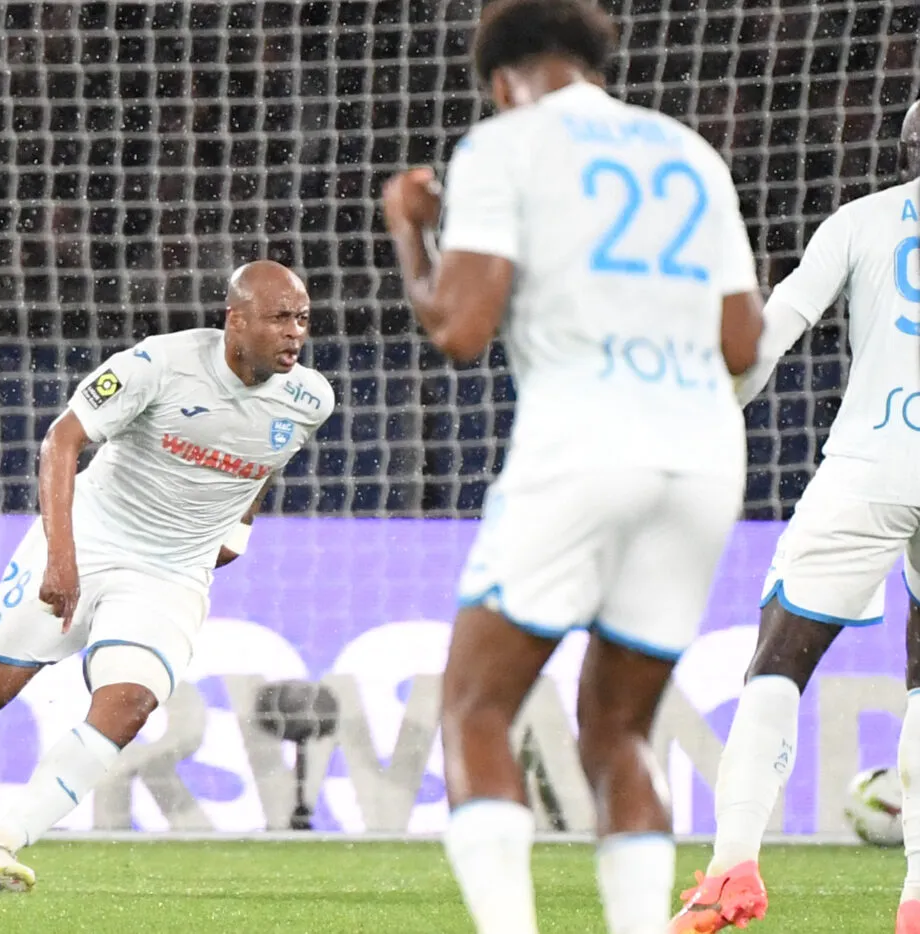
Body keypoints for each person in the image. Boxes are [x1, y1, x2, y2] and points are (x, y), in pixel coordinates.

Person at [381, 1, 765, 931]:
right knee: (621, 732)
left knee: (474, 706)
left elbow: (461, 329)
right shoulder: (689, 153)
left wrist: (410, 229)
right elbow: (743, 341)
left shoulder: (506, 145)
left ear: (498, 76)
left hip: (584, 446)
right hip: (706, 457)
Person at [0, 260, 333, 892]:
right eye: (279, 318)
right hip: (92, 537)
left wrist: (236, 530)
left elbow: (261, 460)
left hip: (172, 572)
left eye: (302, 319)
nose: (295, 333)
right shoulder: (158, 365)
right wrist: (61, 557)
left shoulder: (309, 398)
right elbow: (61, 442)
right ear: (235, 321)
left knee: (129, 704)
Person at [673, 100, 920, 934]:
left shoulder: (862, 219)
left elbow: (774, 329)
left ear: (905, 147)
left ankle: (731, 871)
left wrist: (716, 408)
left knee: (778, 658)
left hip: (872, 463)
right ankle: (917, 900)